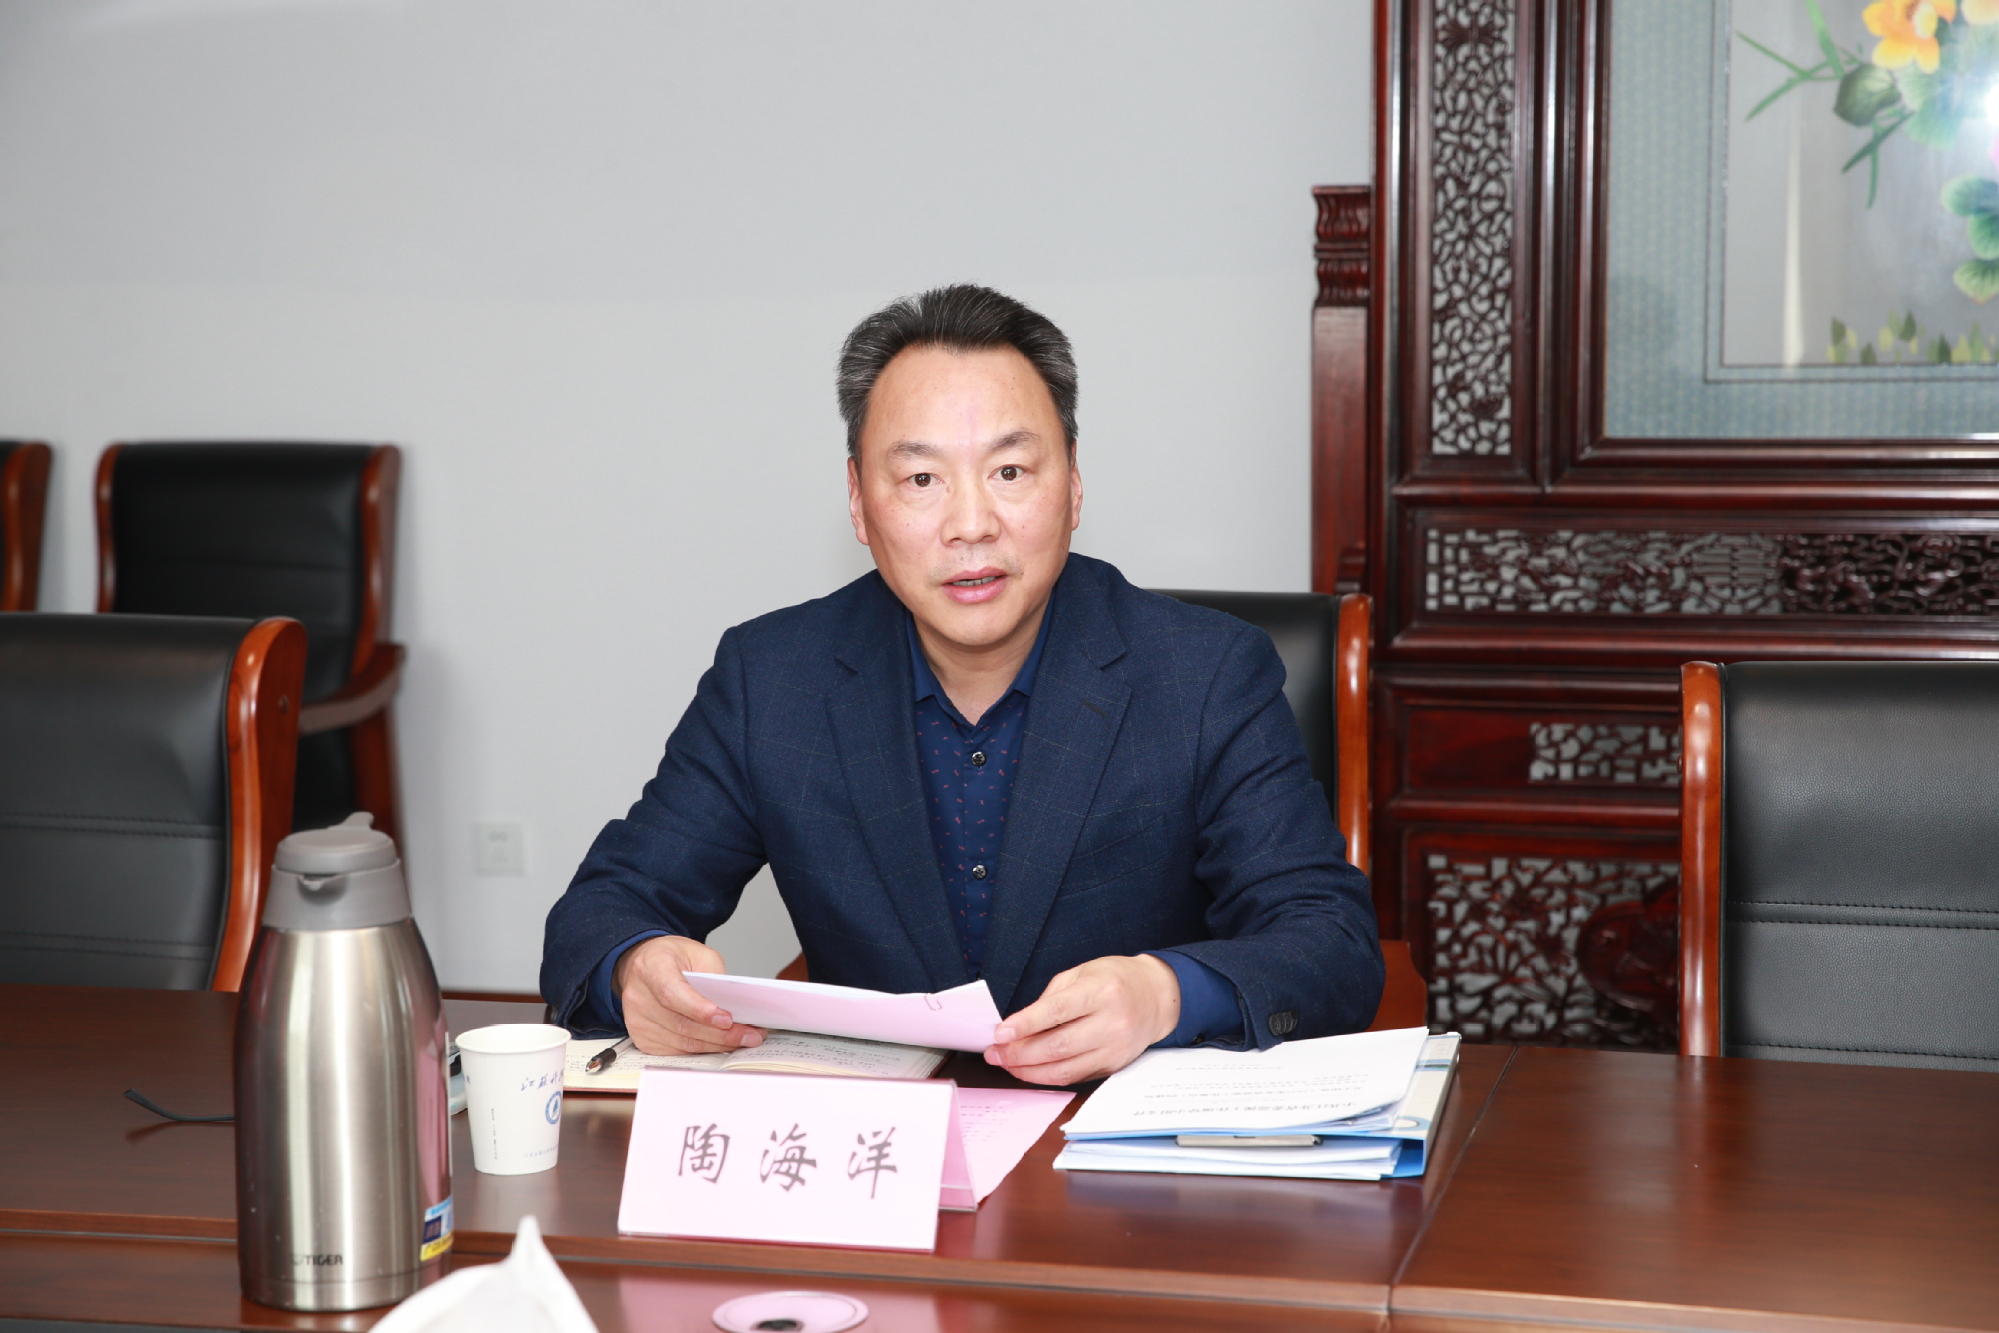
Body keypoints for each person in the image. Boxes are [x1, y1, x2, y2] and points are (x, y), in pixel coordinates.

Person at [540, 284, 1382, 1086]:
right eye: (921, 479)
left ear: (1073, 483)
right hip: (875, 1150)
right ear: (858, 502)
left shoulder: (1204, 673)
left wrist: (1164, 993)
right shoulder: (772, 679)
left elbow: (1330, 938)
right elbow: (605, 907)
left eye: (1010, 471)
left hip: (1110, 1148)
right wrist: (635, 967)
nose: (971, 524)